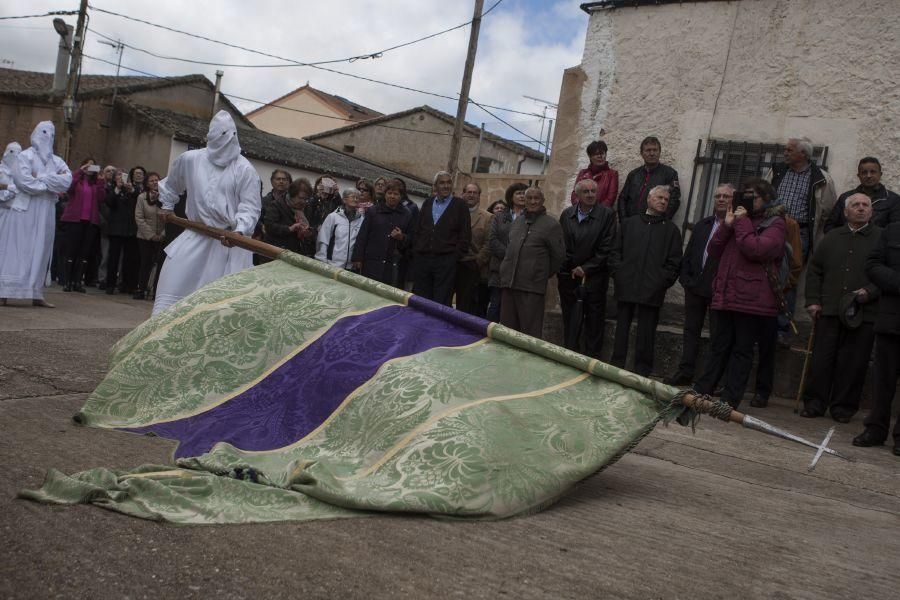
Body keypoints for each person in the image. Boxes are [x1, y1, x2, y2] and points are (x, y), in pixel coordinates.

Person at [153, 110, 262, 315]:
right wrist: (167, 206)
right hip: (196, 236)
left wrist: (239, 231)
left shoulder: (245, 170)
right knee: (173, 288)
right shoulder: (191, 159)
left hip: (229, 243)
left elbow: (250, 207)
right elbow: (171, 185)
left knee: (221, 308)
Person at [693, 178, 786, 408]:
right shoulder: (736, 220)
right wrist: (727, 224)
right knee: (719, 345)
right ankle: (704, 389)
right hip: (726, 293)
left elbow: (755, 249)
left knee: (742, 350)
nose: (746, 201)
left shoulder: (776, 223)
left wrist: (741, 222)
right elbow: (714, 249)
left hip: (751, 298)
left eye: (752, 197)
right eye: (743, 196)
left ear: (765, 199)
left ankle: (730, 399)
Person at [801, 194, 881, 422]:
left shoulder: (881, 238)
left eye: (865, 205)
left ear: (871, 212)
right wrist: (813, 300)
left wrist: (870, 292)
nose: (861, 209)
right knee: (821, 360)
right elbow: (815, 270)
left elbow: (889, 273)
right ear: (845, 212)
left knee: (854, 363)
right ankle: (815, 404)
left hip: (863, 314)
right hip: (829, 311)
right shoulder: (832, 237)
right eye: (855, 205)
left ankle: (843, 408)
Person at [666, 184, 734, 386]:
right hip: (695, 287)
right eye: (717, 196)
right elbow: (690, 253)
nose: (721, 199)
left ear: (734, 201)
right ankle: (685, 371)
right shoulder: (703, 224)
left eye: (726, 196)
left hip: (719, 290)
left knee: (718, 336)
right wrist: (686, 279)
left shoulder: (735, 228)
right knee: (690, 330)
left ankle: (713, 379)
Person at [609, 185, 682, 376]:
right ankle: (616, 366)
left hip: (652, 289)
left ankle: (642, 371)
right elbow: (615, 252)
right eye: (660, 198)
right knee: (621, 329)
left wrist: (660, 281)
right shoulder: (629, 223)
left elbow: (674, 263)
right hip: (626, 284)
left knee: (646, 333)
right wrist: (619, 273)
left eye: (666, 200)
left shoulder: (672, 231)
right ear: (649, 199)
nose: (663, 201)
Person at [0, 122, 72, 306]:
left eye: (52, 133)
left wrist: (41, 178)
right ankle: (5, 291)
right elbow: (23, 181)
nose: (48, 136)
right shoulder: (25, 156)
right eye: (44, 132)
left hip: (46, 210)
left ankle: (35, 292)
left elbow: (67, 181)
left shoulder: (56, 160)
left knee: (41, 248)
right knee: (18, 248)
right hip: (25, 209)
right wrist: (48, 184)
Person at [855, 220, 900, 455]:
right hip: (891, 320)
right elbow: (872, 265)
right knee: (883, 381)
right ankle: (875, 429)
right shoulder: (892, 230)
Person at [558, 178, 617, 358]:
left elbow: (607, 246)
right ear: (577, 195)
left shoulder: (607, 215)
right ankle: (570, 354)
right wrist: (571, 266)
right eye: (586, 191)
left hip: (595, 276)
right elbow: (561, 244)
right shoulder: (567, 215)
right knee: (570, 317)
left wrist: (586, 268)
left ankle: (592, 358)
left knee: (594, 320)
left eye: (593, 191)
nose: (591, 195)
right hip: (569, 275)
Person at [498, 187, 565, 338]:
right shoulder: (517, 222)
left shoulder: (551, 225)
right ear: (525, 201)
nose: (533, 201)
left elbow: (558, 256)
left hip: (532, 288)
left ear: (542, 201)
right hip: (509, 284)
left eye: (537, 198)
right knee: (507, 334)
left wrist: (538, 273)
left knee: (529, 334)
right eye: (530, 198)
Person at [769, 137, 836, 258]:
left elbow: (827, 210)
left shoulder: (822, 178)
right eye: (785, 150)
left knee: (793, 267)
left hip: (800, 232)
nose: (785, 153)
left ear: (803, 154)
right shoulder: (776, 171)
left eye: (789, 150)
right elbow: (763, 195)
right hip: (773, 226)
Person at [412, 171, 470, 306]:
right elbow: (419, 230)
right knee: (421, 300)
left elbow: (465, 235)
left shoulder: (460, 205)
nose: (446, 186)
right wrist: (417, 251)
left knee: (441, 301)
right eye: (442, 183)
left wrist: (453, 257)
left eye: (448, 182)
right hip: (424, 260)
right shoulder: (427, 203)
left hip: (446, 262)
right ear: (435, 186)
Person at [352, 179, 413, 286]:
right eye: (389, 193)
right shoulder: (373, 211)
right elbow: (363, 235)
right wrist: (358, 258)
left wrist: (401, 237)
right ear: (385, 194)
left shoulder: (406, 214)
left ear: (401, 196)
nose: (392, 196)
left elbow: (411, 239)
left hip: (393, 266)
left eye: (396, 194)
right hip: (372, 262)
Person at [60, 158, 105, 293]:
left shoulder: (95, 183)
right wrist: (80, 171)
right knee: (71, 250)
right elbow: (69, 187)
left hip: (90, 221)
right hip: (75, 220)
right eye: (88, 165)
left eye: (93, 165)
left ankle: (77, 281)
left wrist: (101, 180)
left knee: (84, 252)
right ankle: (67, 281)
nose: (90, 168)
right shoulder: (77, 180)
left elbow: (102, 198)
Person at [486, 183, 528, 321]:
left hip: (520, 271)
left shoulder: (530, 217)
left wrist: (516, 257)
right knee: (495, 306)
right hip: (499, 269)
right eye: (518, 193)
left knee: (512, 311)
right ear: (511, 197)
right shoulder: (499, 217)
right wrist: (509, 255)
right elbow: (492, 240)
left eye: (524, 193)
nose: (522, 196)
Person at [824, 157, 900, 233]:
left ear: (880, 174)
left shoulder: (893, 200)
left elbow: (896, 230)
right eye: (864, 172)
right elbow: (830, 226)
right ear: (858, 175)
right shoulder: (845, 198)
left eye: (873, 172)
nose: (868, 176)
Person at [617, 136, 680, 222]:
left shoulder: (670, 174)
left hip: (654, 226)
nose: (652, 153)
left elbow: (674, 200)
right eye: (648, 150)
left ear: (659, 152)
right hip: (631, 224)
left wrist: (662, 221)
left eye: (655, 150)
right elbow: (623, 198)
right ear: (642, 153)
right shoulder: (634, 174)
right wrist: (624, 220)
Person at [455, 182, 492, 316]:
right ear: (463, 194)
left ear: (479, 196)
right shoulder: (452, 214)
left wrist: (477, 263)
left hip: (471, 267)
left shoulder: (488, 218)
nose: (471, 195)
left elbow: (489, 244)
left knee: (465, 308)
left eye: (474, 192)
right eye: (468, 192)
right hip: (451, 264)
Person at [104, 169, 139, 294]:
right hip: (116, 229)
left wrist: (131, 190)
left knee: (128, 259)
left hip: (130, 229)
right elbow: (109, 202)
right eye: (118, 176)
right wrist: (118, 188)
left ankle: (125, 284)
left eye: (123, 176)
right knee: (113, 258)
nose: (121, 178)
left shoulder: (132, 190)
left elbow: (138, 198)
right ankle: (110, 284)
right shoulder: (112, 189)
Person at [264, 178, 316, 257]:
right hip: (277, 253)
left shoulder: (307, 208)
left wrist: (309, 232)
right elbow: (269, 226)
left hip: (298, 254)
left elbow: (314, 227)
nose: (304, 202)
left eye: (306, 199)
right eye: (301, 198)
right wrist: (289, 229)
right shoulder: (276, 205)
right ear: (292, 194)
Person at [133, 172, 165, 300]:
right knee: (145, 263)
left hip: (161, 237)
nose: (154, 183)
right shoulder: (142, 198)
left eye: (157, 180)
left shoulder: (165, 198)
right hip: (145, 237)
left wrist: (162, 234)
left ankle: (155, 290)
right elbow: (139, 218)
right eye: (151, 181)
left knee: (159, 265)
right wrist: (151, 235)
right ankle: (141, 288)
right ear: (147, 183)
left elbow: (168, 217)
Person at [315, 189, 364, 269]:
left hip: (350, 267)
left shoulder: (361, 220)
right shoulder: (333, 217)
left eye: (357, 198)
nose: (355, 199)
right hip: (332, 264)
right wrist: (322, 260)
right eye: (353, 197)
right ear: (344, 200)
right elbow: (323, 239)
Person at [571, 140, 618, 208]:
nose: (600, 156)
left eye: (602, 153)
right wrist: (582, 210)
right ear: (590, 157)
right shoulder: (583, 173)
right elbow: (575, 194)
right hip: (581, 214)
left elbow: (610, 199)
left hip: (601, 215)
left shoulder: (612, 174)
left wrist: (595, 213)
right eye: (596, 154)